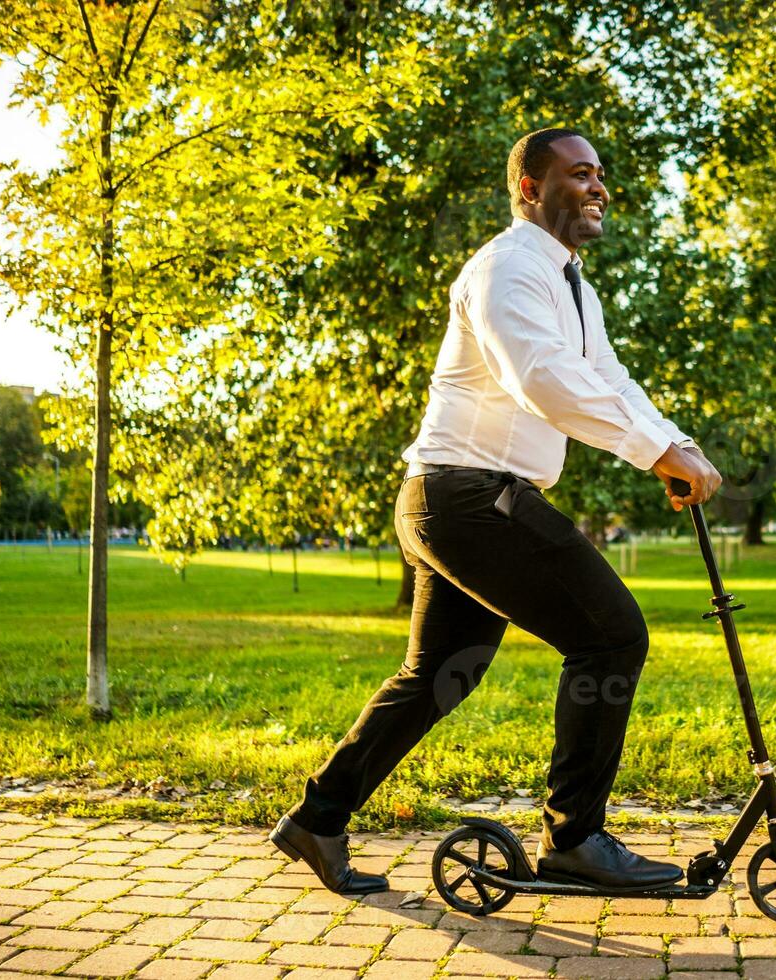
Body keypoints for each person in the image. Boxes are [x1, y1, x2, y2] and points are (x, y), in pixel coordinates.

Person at [271, 127, 722, 895]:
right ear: (528, 188)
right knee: (611, 636)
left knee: (442, 673)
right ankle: (575, 840)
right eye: (579, 174)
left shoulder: (575, 287)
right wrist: (653, 452)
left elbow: (607, 378)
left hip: (459, 500)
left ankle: (318, 820)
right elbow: (541, 379)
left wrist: (674, 442)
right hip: (469, 497)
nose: (597, 187)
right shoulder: (508, 268)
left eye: (600, 175)